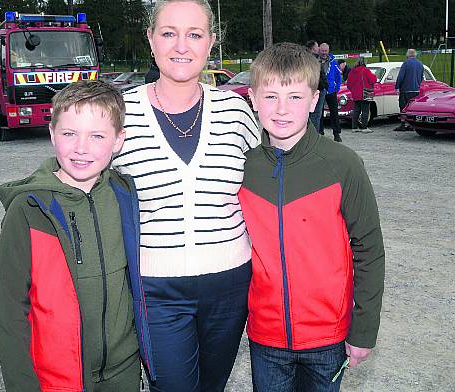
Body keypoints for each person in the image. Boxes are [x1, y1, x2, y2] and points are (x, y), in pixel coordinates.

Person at [111, 1, 260, 391]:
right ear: (151, 40)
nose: (182, 45)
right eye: (168, 33)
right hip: (156, 287)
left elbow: (274, 183)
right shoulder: (119, 113)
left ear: (211, 43)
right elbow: (79, 172)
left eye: (194, 34)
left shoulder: (236, 111)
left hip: (230, 285)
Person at [240, 42, 386, 392]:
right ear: (252, 97)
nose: (282, 109)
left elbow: (369, 249)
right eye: (270, 96)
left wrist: (364, 329)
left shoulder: (342, 164)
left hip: (327, 336)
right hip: (267, 337)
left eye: (294, 97)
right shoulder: (243, 168)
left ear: (315, 98)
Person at [0, 80, 154, 392]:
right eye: (70, 133)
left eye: (97, 136)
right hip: (57, 375)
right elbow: (9, 311)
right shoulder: (28, 210)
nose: (82, 147)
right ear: (52, 133)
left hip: (124, 369)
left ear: (119, 140)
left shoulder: (123, 194)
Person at [393, 48, 424, 132]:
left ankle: (403, 124)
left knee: (403, 107)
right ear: (415, 54)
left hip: (406, 90)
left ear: (407, 54)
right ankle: (411, 125)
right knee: (412, 108)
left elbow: (400, 77)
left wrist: (397, 87)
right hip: (416, 90)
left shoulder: (406, 63)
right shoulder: (420, 64)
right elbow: (421, 78)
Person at [319, 43, 343, 142]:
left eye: (326, 51)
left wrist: (336, 88)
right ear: (319, 50)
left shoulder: (333, 62)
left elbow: (338, 75)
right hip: (320, 90)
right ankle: (320, 133)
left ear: (328, 51)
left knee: (334, 112)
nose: (324, 53)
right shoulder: (315, 61)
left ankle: (336, 133)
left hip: (331, 91)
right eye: (322, 51)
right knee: (319, 113)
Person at [347, 59, 376, 133]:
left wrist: (353, 90)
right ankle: (364, 127)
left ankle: (354, 127)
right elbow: (373, 80)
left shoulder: (352, 71)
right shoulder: (366, 70)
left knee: (356, 110)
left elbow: (349, 84)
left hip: (355, 94)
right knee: (365, 111)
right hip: (365, 93)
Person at [306, 39, 328, 134]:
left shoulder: (305, 59)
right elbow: (318, 75)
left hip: (311, 89)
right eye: (317, 46)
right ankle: (314, 135)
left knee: (310, 114)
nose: (319, 48)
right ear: (313, 48)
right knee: (316, 114)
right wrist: (324, 85)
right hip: (318, 89)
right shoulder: (314, 60)